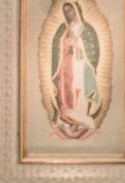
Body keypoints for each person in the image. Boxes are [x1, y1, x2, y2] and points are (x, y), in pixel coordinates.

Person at [51, 2, 102, 140]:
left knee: (80, 92)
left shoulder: (87, 29)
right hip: (66, 67)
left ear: (76, 10)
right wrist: (65, 43)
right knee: (67, 93)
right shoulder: (63, 29)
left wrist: (79, 44)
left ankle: (82, 120)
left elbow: (93, 49)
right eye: (66, 12)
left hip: (81, 65)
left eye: (71, 11)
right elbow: (57, 46)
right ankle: (75, 121)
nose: (69, 14)